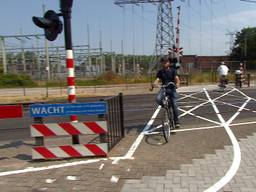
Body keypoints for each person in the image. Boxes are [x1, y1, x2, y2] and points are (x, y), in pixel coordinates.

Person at [150, 56, 181, 128]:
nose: (164, 63)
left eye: (166, 62)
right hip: (164, 88)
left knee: (174, 105)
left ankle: (176, 122)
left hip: (172, 88)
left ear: (169, 63)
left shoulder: (173, 70)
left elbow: (177, 78)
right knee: (158, 99)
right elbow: (157, 79)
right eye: (163, 62)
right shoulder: (160, 72)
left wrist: (177, 84)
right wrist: (154, 84)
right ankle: (166, 107)